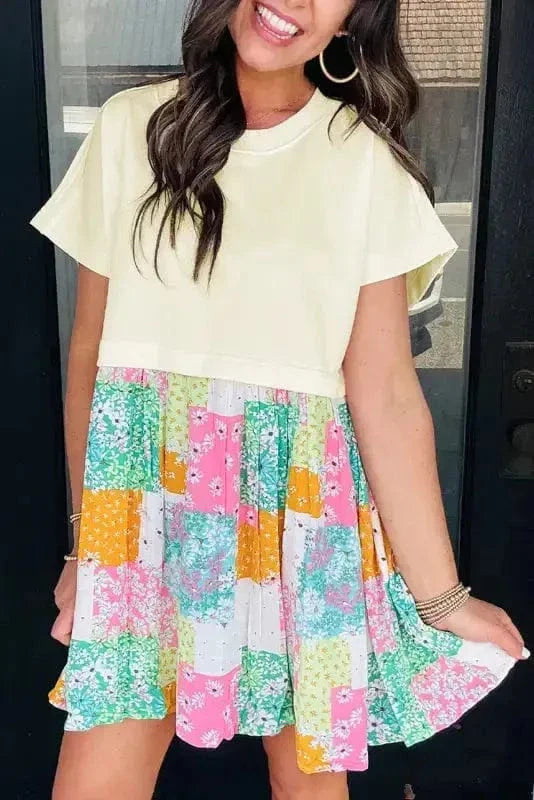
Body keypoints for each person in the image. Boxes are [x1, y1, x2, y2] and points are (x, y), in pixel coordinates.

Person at [30, 1, 529, 798]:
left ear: (354, 18)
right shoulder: (133, 128)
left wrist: (443, 598)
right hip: (143, 512)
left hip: (303, 511)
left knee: (307, 779)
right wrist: (82, 546)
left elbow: (388, 396)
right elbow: (91, 354)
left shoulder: (364, 163)